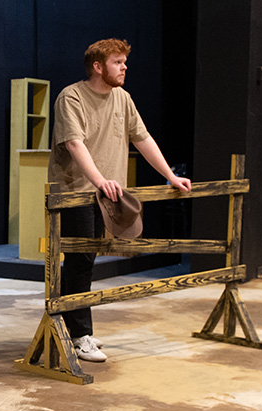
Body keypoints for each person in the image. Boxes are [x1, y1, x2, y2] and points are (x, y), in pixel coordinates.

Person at [50, 38, 192, 363]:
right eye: (118, 62)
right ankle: (78, 333)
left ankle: (74, 325)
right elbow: (74, 144)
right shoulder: (71, 96)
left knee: (87, 261)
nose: (125, 67)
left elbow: (142, 138)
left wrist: (170, 175)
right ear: (98, 66)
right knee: (79, 260)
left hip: (106, 196)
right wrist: (99, 181)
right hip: (76, 194)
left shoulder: (123, 98)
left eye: (125, 61)